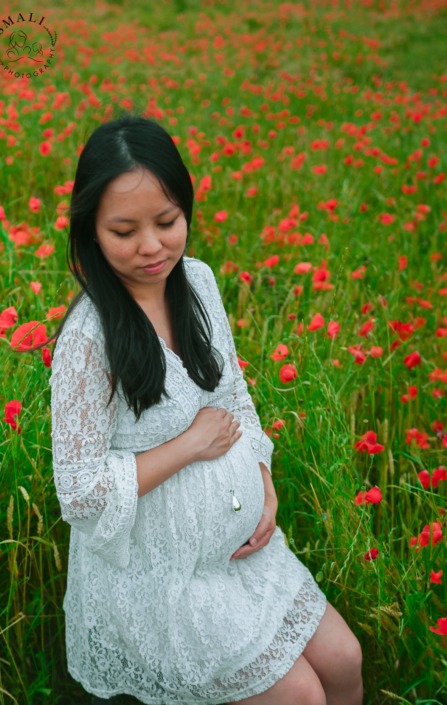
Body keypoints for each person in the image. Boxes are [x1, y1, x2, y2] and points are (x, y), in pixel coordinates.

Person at [44, 113, 364, 705]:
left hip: (238, 548)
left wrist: (264, 488)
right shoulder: (90, 340)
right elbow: (81, 494)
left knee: (345, 661)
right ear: (90, 231)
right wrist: (187, 446)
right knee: (302, 698)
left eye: (166, 222)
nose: (151, 247)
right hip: (158, 579)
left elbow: (233, 398)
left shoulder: (198, 283)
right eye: (124, 231)